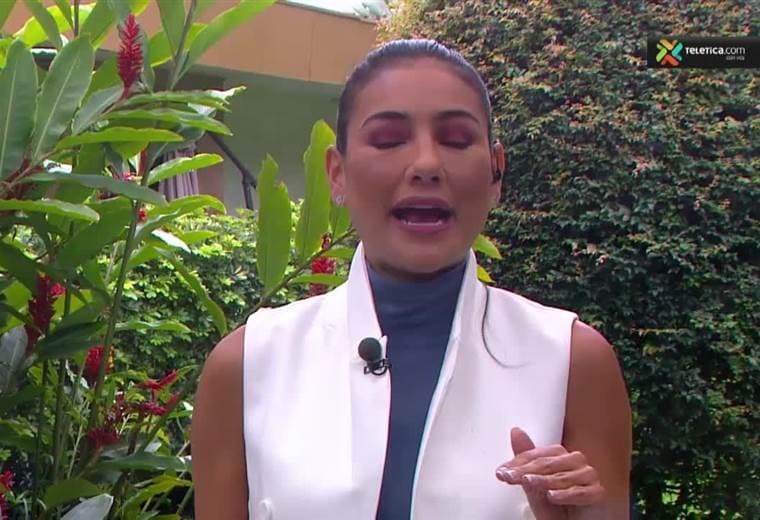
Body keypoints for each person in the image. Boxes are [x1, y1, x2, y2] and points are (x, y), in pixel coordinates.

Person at [192, 39, 632, 519]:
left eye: (457, 140)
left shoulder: (573, 361)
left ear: (496, 172)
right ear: (337, 174)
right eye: (388, 140)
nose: (426, 165)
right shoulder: (246, 365)